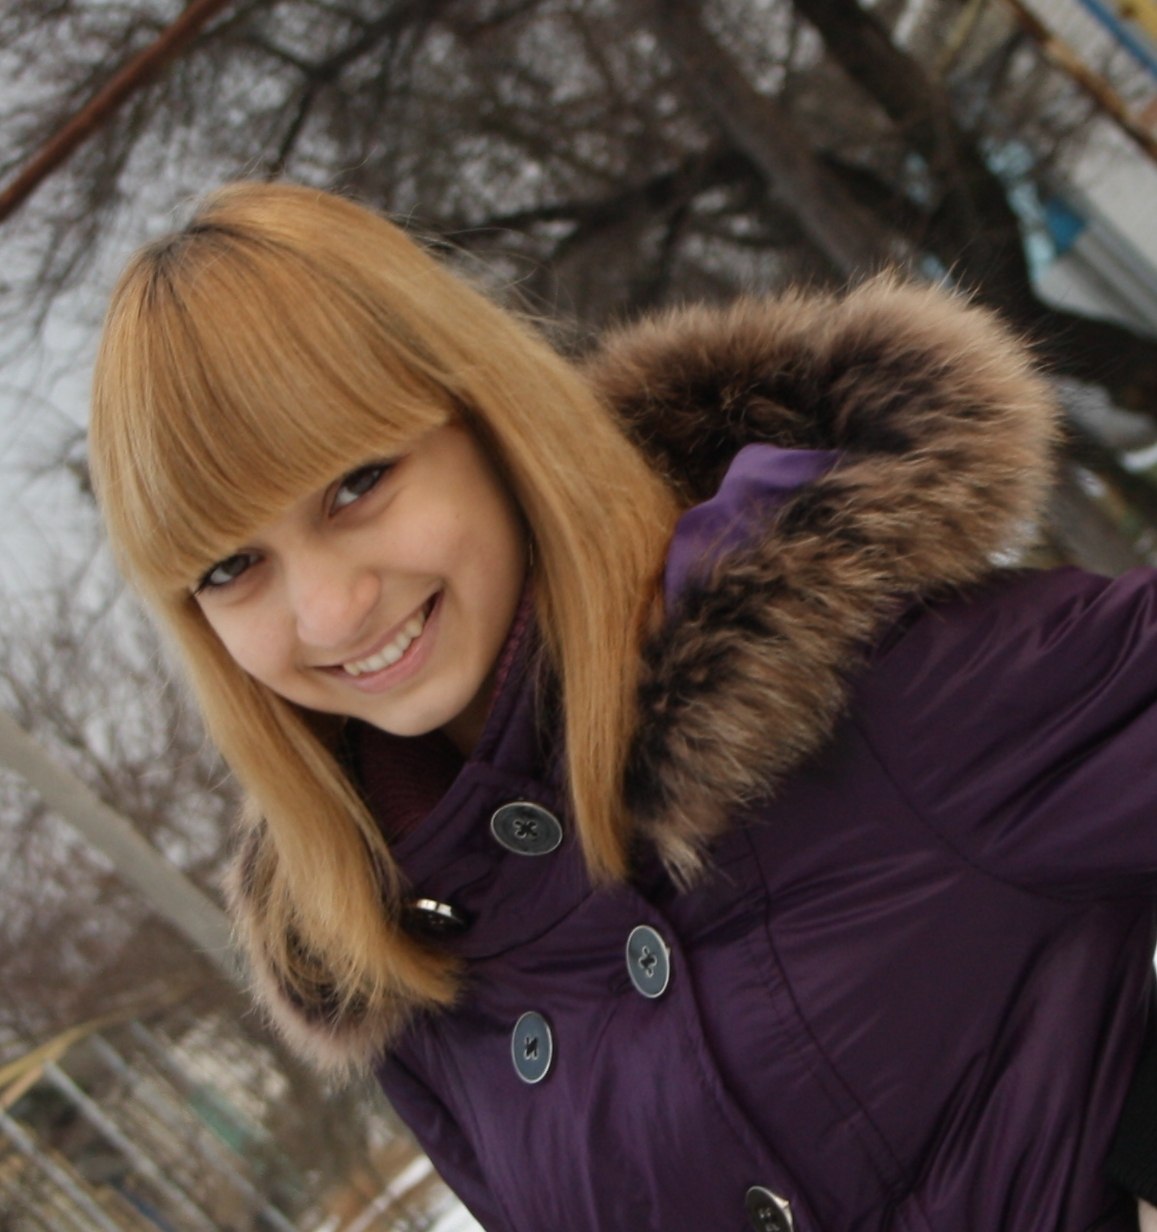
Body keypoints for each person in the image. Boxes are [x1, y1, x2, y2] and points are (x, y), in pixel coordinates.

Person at [89, 180, 1157, 1232]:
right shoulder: (409, 962)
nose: (329, 609)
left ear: (487, 419)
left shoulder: (862, 678)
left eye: (358, 480)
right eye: (231, 566)